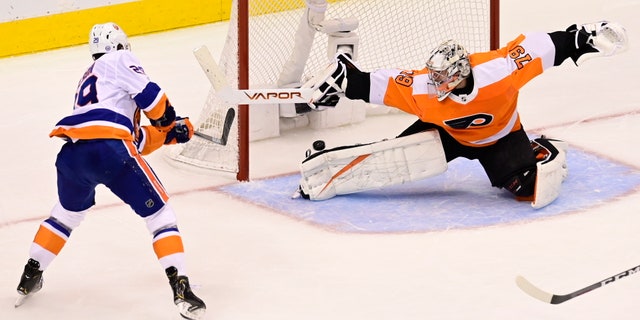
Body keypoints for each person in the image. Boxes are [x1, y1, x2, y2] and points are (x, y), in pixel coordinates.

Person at [296, 21, 628, 208]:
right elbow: (377, 84)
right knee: (394, 157)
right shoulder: (423, 88)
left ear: (459, 73)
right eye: (434, 76)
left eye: (442, 77)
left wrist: (583, 38)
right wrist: (343, 80)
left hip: (501, 137)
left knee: (527, 189)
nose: (435, 82)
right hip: (447, 134)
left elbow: (546, 47)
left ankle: (541, 149)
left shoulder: (500, 71)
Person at [15, 22, 206, 319]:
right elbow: (154, 102)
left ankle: (30, 274)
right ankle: (181, 286)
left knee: (65, 215)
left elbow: (131, 136)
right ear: (119, 45)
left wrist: (170, 134)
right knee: (160, 216)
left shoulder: (89, 80)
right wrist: (171, 122)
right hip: (111, 151)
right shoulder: (118, 59)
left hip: (73, 156)